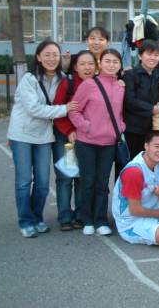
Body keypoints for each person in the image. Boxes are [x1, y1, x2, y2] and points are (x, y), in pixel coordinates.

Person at [7, 40, 77, 238]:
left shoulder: (63, 78)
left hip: (45, 136)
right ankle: (25, 220)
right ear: (38, 57)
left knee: (43, 182)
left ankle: (37, 217)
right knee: (23, 181)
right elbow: (34, 109)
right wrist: (64, 109)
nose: (51, 58)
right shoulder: (29, 79)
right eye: (47, 54)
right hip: (22, 135)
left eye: (55, 54)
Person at [69, 48, 125, 236]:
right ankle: (87, 219)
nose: (111, 65)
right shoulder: (89, 84)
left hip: (109, 143)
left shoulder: (121, 87)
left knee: (102, 183)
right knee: (88, 182)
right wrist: (86, 126)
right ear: (100, 63)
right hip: (87, 141)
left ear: (120, 65)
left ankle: (101, 219)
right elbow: (74, 110)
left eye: (115, 62)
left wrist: (120, 126)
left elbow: (119, 113)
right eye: (107, 61)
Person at [52, 50, 96, 231]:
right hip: (66, 137)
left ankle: (80, 215)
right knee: (65, 178)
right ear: (75, 67)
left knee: (82, 178)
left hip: (88, 138)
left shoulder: (97, 83)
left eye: (91, 64)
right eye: (82, 64)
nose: (87, 68)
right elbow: (57, 111)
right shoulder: (68, 83)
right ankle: (64, 216)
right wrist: (69, 130)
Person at [122, 40, 159, 160]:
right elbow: (129, 101)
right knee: (130, 162)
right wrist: (151, 109)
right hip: (133, 129)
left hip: (151, 129)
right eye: (149, 54)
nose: (152, 58)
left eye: (156, 55)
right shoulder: (131, 75)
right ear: (140, 56)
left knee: (147, 162)